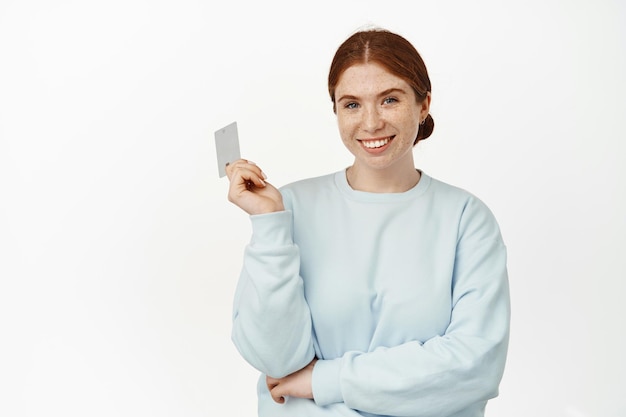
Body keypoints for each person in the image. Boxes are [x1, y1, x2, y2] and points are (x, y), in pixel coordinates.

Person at [225, 27, 510, 417]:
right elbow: (274, 358)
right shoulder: (287, 207)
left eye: (389, 100)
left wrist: (324, 380)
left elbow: (474, 365)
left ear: (423, 104)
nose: (371, 123)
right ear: (336, 111)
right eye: (352, 105)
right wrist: (270, 227)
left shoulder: (466, 219)